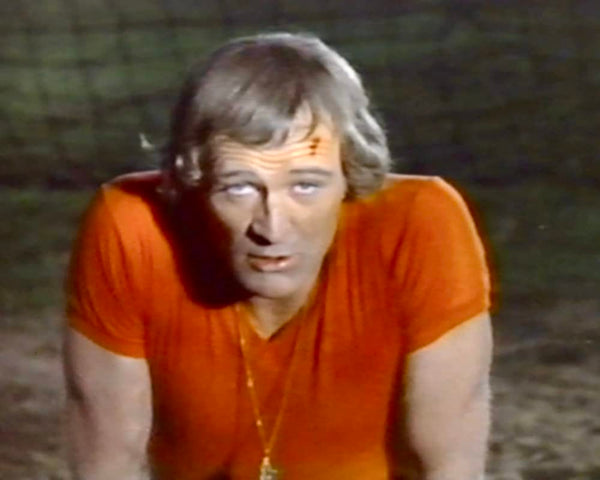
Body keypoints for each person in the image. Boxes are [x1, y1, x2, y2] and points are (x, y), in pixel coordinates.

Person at [63, 32, 493, 480]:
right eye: (239, 188)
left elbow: (450, 465)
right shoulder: (134, 224)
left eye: (305, 186)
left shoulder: (421, 222)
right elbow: (107, 459)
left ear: (348, 173)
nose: (272, 228)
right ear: (195, 176)